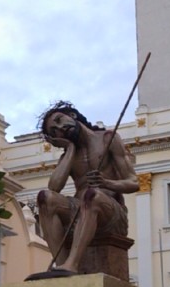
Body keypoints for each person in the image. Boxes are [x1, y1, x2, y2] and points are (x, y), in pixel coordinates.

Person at [35, 102, 138, 275]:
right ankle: (62, 266)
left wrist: (107, 183)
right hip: (80, 209)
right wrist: (70, 149)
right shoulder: (69, 155)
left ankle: (72, 264)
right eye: (54, 131)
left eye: (60, 120)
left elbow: (134, 182)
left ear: (73, 115)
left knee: (92, 196)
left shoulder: (108, 138)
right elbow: (54, 188)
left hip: (112, 213)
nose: (60, 128)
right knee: (46, 198)